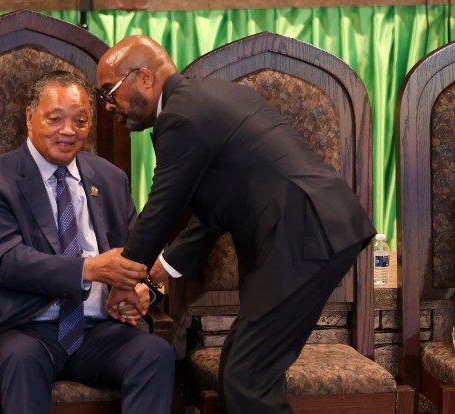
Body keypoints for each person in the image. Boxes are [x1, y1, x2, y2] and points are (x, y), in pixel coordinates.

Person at [97, 35, 376, 414]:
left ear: (144, 77)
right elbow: (217, 206)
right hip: (308, 229)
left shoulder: (179, 116)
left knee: (248, 377)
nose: (108, 106)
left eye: (108, 92)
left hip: (301, 232)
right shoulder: (209, 98)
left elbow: (163, 207)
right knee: (240, 367)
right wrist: (162, 268)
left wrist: (124, 278)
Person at [0, 70, 175, 414]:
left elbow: (137, 255)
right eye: (55, 118)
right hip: (24, 327)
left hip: (98, 329)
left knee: (154, 353)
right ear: (30, 118)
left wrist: (140, 291)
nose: (68, 131)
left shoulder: (110, 178)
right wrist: (89, 269)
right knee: (21, 362)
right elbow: (5, 261)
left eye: (80, 121)